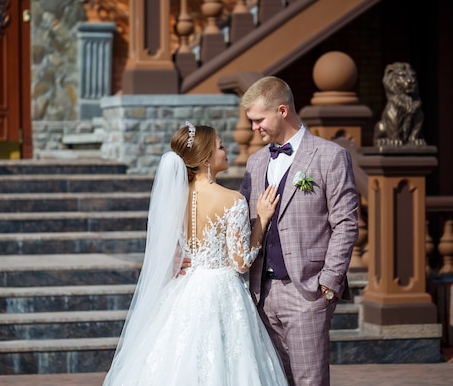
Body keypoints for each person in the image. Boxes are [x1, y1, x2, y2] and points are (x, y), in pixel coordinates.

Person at [102, 123, 289, 386]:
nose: (226, 151)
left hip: (186, 286)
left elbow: (168, 245)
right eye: (221, 147)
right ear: (205, 161)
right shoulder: (232, 200)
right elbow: (241, 263)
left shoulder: (175, 198)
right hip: (221, 289)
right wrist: (263, 221)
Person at [239, 76, 359, 386]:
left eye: (258, 120)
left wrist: (328, 284)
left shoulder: (329, 156)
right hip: (260, 293)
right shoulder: (254, 163)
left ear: (282, 110)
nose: (254, 128)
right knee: (272, 380)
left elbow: (345, 223)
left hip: (306, 291)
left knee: (310, 381)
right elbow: (240, 222)